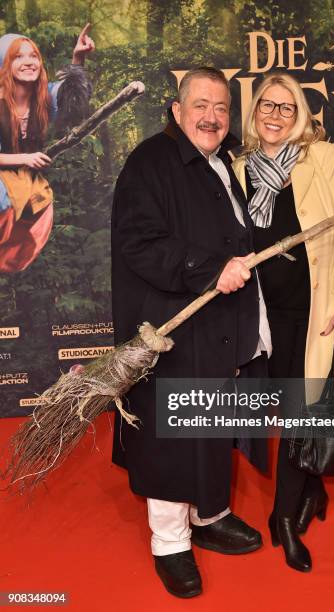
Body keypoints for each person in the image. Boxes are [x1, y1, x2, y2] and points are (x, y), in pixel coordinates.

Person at [111, 66, 272, 598]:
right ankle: (170, 543)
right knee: (172, 433)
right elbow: (139, 243)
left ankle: (209, 516)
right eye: (200, 105)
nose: (212, 116)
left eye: (222, 108)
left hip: (215, 326)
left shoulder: (220, 162)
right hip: (170, 329)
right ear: (177, 111)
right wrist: (211, 268)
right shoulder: (150, 162)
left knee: (210, 424)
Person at [233, 71, 334, 572]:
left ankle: (284, 519)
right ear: (255, 114)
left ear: (299, 117)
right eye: (266, 107)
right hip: (260, 318)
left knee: (300, 413)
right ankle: (312, 487)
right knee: (285, 411)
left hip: (313, 312)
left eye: (285, 107)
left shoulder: (321, 157)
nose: (274, 115)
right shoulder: (238, 168)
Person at [0, 25, 94, 273]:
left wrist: (78, 57)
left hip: (24, 182)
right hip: (2, 182)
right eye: (18, 56)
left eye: (33, 56)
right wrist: (26, 158)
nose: (29, 62)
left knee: (40, 205)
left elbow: (72, 102)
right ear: (4, 65)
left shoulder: (44, 98)